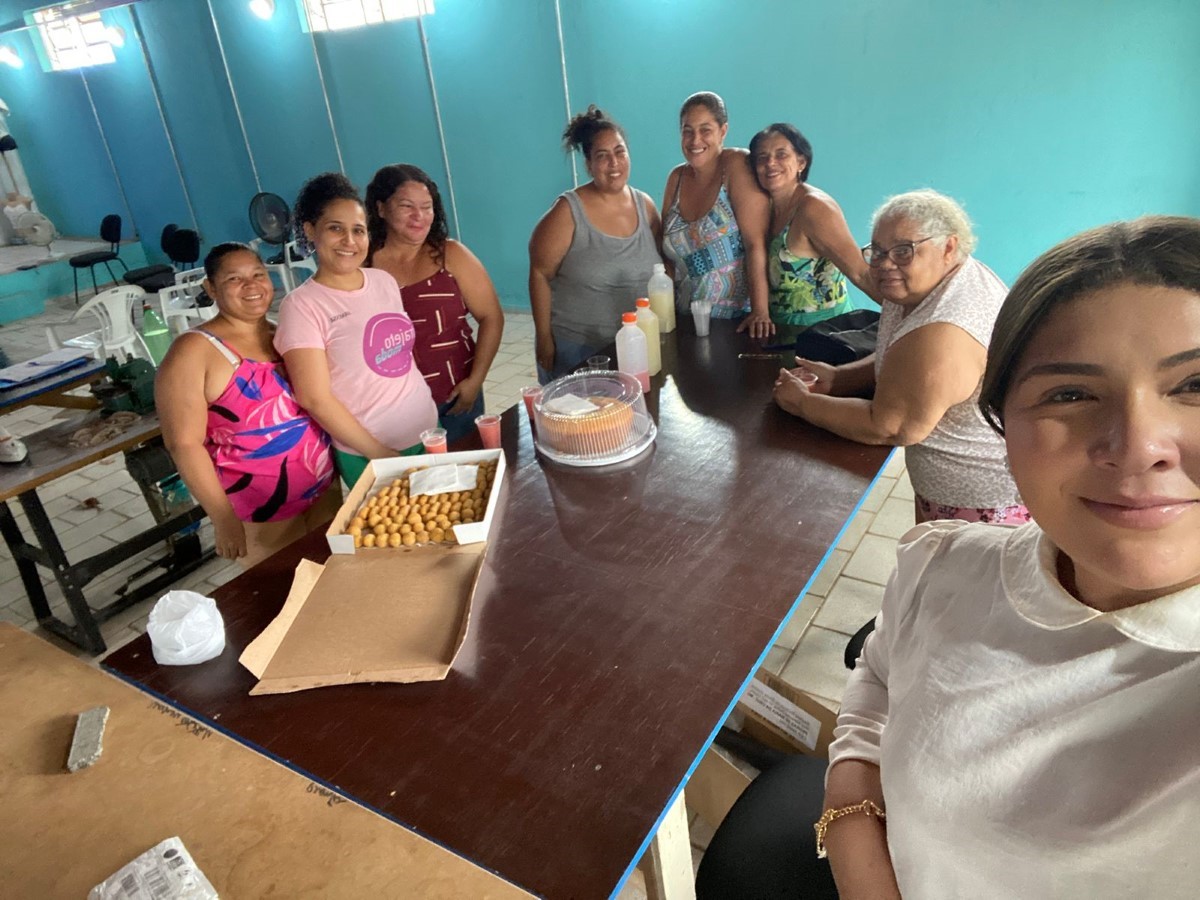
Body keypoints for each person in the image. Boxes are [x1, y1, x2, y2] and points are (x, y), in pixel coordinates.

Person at [820, 215, 1200, 898]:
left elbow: (894, 421)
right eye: (1070, 394)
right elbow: (875, 678)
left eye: (1196, 386)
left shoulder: (950, 322)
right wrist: (851, 813)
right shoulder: (939, 563)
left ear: (950, 249)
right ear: (1003, 424)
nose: (1137, 447)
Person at [774, 189, 1025, 524]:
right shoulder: (931, 283)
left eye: (904, 251)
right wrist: (840, 378)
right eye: (877, 252)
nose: (885, 264)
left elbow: (889, 426)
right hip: (957, 493)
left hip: (978, 505)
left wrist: (803, 403)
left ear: (948, 247)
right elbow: (901, 355)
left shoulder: (943, 332)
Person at [156, 243, 338, 568]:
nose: (251, 286)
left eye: (258, 274)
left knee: (338, 577)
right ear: (210, 288)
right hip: (261, 512)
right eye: (234, 279)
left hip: (324, 491)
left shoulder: (281, 334)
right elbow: (183, 444)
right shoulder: (193, 351)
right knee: (284, 593)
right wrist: (223, 518)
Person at [275, 172, 437, 488]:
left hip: (426, 430)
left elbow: (402, 360)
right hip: (370, 452)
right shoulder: (302, 306)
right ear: (310, 230)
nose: (350, 241)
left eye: (358, 230)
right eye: (336, 228)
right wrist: (379, 453)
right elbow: (314, 397)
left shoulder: (383, 281)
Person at [365, 164, 504, 444]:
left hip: (453, 398)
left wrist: (475, 381)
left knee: (467, 467)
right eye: (406, 206)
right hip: (392, 406)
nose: (419, 216)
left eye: (426, 207)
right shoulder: (363, 266)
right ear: (381, 208)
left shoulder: (451, 255)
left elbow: (492, 317)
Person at [529, 105, 663, 382]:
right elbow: (540, 273)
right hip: (577, 349)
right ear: (589, 164)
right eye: (602, 156)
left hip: (635, 344)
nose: (614, 163)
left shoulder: (646, 206)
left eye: (620, 152)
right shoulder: (567, 212)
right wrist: (543, 337)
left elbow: (663, 267)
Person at [661, 91, 772, 338]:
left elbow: (755, 244)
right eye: (687, 131)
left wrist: (760, 311)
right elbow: (665, 258)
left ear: (723, 131)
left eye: (705, 130)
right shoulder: (676, 178)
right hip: (685, 321)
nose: (695, 140)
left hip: (736, 323)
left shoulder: (736, 165)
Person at [749, 123, 873, 327]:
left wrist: (907, 320)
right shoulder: (763, 208)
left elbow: (860, 273)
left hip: (827, 332)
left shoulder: (815, 208)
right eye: (762, 157)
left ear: (801, 162)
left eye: (781, 154)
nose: (770, 163)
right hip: (780, 331)